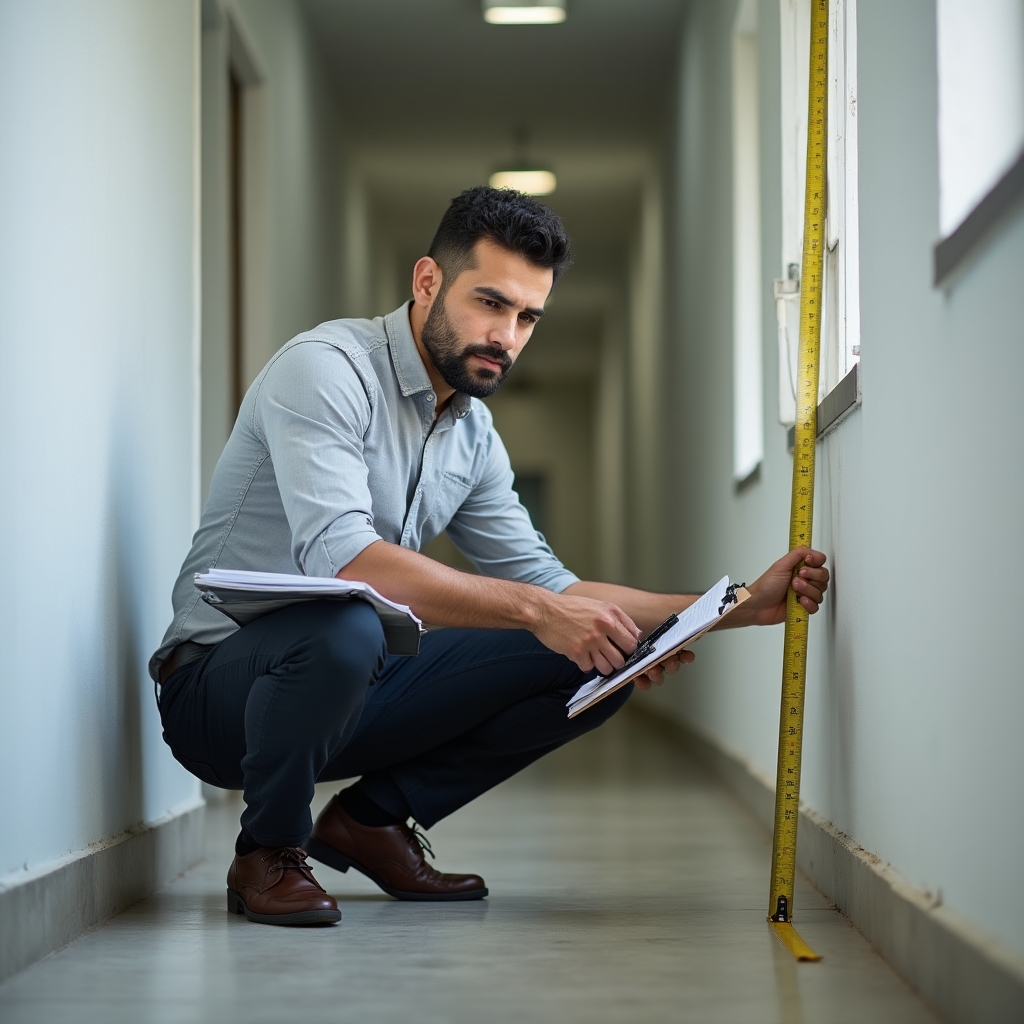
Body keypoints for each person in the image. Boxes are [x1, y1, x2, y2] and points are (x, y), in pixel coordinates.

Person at [150, 186, 830, 927]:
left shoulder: (471, 435)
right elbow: (348, 565)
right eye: (490, 303)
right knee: (345, 621)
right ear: (427, 282)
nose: (506, 335)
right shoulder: (324, 370)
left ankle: (372, 821)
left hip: (349, 685)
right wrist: (542, 612)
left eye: (527, 317)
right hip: (220, 694)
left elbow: (553, 587)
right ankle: (266, 853)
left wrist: (732, 606)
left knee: (594, 657)